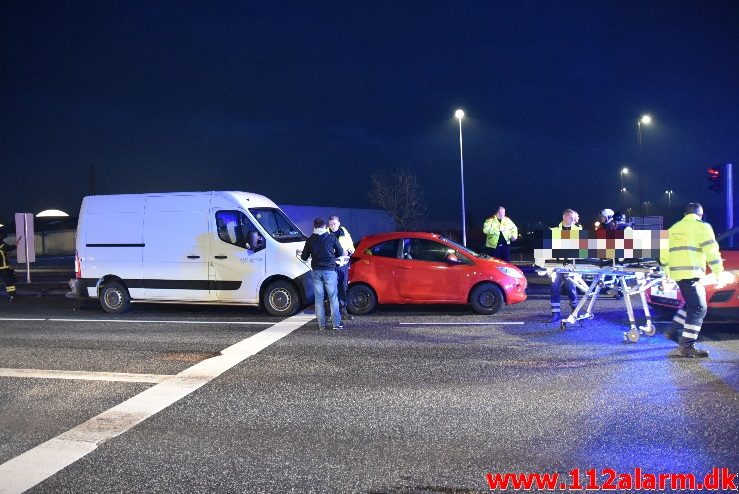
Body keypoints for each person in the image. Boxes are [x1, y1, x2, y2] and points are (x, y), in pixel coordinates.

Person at [659, 203, 730, 358]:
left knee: (692, 304)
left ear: (685, 214)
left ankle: (673, 330)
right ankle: (687, 346)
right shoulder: (702, 227)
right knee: (699, 307)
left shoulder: (673, 229)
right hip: (691, 273)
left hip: (678, 274)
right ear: (700, 214)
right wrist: (719, 272)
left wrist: (668, 272)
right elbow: (711, 251)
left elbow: (663, 255)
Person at [301, 218, 345, 330]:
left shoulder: (310, 239)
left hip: (316, 271)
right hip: (330, 270)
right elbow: (340, 252)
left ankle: (322, 325)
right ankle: (336, 324)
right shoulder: (331, 237)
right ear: (325, 226)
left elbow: (304, 257)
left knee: (319, 299)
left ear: (314, 227)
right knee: (333, 298)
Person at [549, 209, 581, 323]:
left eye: (573, 218)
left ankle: (575, 311)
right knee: (554, 289)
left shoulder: (578, 230)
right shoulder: (554, 231)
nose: (572, 220)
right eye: (570, 218)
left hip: (570, 266)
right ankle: (555, 314)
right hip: (556, 266)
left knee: (571, 289)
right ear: (564, 217)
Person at [328, 215, 354, 320]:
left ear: (339, 223)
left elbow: (352, 248)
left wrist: (348, 251)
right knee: (332, 289)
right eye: (330, 224)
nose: (332, 226)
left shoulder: (345, 233)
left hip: (343, 265)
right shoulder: (326, 234)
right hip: (331, 265)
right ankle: (333, 313)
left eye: (334, 224)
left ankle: (343, 311)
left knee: (343, 287)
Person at [0, 228, 17, 301]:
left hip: (3, 267)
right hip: (3, 267)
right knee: (9, 282)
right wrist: (15, 246)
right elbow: (8, 248)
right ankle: (12, 296)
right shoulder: (1, 244)